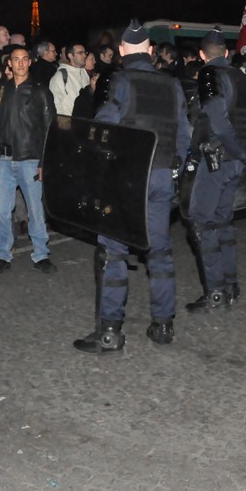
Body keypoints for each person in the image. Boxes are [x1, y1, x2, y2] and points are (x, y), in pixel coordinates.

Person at [73, 20, 191, 352]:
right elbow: (184, 135)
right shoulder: (173, 86)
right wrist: (174, 168)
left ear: (123, 51)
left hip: (128, 177)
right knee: (160, 252)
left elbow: (106, 126)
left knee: (113, 251)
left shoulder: (122, 81)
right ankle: (163, 325)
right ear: (151, 51)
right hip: (162, 175)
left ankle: (110, 333)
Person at [184, 27, 246, 313]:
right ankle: (230, 284)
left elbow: (218, 121)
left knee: (202, 223)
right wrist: (244, 155)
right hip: (235, 160)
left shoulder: (208, 76)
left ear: (202, 55)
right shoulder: (241, 76)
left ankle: (215, 292)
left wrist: (236, 151)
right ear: (226, 53)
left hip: (218, 158)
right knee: (223, 221)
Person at [0, 47, 57, 274]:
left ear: (29, 62)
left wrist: (44, 162)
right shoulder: (1, 89)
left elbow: (50, 128)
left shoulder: (40, 91)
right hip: (3, 159)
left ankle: (41, 254)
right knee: (2, 211)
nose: (20, 63)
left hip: (30, 159)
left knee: (35, 210)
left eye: (24, 59)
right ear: (9, 63)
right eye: (15, 59)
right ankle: (2, 253)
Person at [49, 43, 90, 116]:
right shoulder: (60, 76)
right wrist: (62, 122)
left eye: (85, 52)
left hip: (85, 121)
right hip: (68, 121)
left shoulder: (84, 73)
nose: (84, 56)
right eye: (80, 53)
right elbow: (55, 102)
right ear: (70, 55)